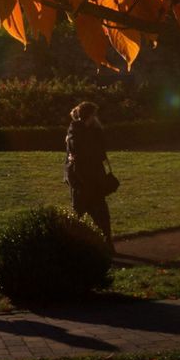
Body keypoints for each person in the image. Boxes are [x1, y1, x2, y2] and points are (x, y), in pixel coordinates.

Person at [65, 100, 114, 250]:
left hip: (81, 180)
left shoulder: (74, 132)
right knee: (99, 215)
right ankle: (105, 244)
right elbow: (97, 154)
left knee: (82, 214)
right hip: (88, 179)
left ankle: (85, 247)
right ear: (91, 116)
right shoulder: (83, 133)